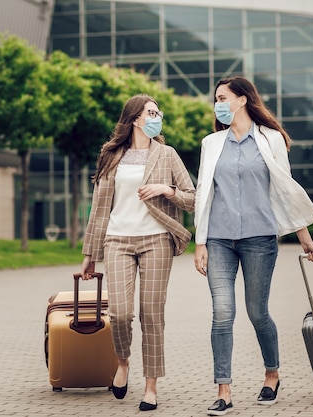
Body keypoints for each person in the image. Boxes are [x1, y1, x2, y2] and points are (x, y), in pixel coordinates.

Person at [193, 76, 313, 416]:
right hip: (219, 238)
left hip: (259, 239)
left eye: (222, 97)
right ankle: (224, 389)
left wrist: (305, 239)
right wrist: (201, 242)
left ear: (241, 100)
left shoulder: (271, 140)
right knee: (222, 312)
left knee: (257, 312)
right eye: (216, 99)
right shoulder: (211, 143)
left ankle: (272, 374)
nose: (218, 104)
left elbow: (286, 191)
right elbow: (205, 195)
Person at [80, 94, 195, 412]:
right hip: (117, 240)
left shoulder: (167, 155)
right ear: (134, 119)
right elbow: (99, 208)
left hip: (156, 240)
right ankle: (123, 362)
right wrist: (90, 253)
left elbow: (193, 197)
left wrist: (166, 190)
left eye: (159, 112)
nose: (157, 116)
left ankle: (151, 387)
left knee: (151, 315)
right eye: (151, 112)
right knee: (119, 313)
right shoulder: (111, 154)